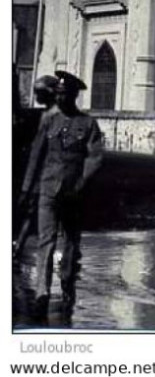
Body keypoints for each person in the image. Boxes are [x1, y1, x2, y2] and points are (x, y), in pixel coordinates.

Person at [19, 71, 103, 321]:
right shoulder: (49, 120)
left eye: (65, 94)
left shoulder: (88, 124)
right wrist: (26, 189)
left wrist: (81, 182)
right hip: (48, 188)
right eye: (58, 93)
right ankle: (42, 293)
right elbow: (36, 155)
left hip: (73, 192)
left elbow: (95, 157)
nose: (60, 97)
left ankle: (67, 286)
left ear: (75, 95)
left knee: (70, 244)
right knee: (46, 241)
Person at [14, 76, 59, 259]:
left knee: (37, 214)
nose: (36, 97)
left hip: (46, 176)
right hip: (48, 176)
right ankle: (20, 248)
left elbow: (38, 153)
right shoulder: (49, 114)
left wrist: (26, 186)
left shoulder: (52, 116)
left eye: (39, 93)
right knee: (33, 215)